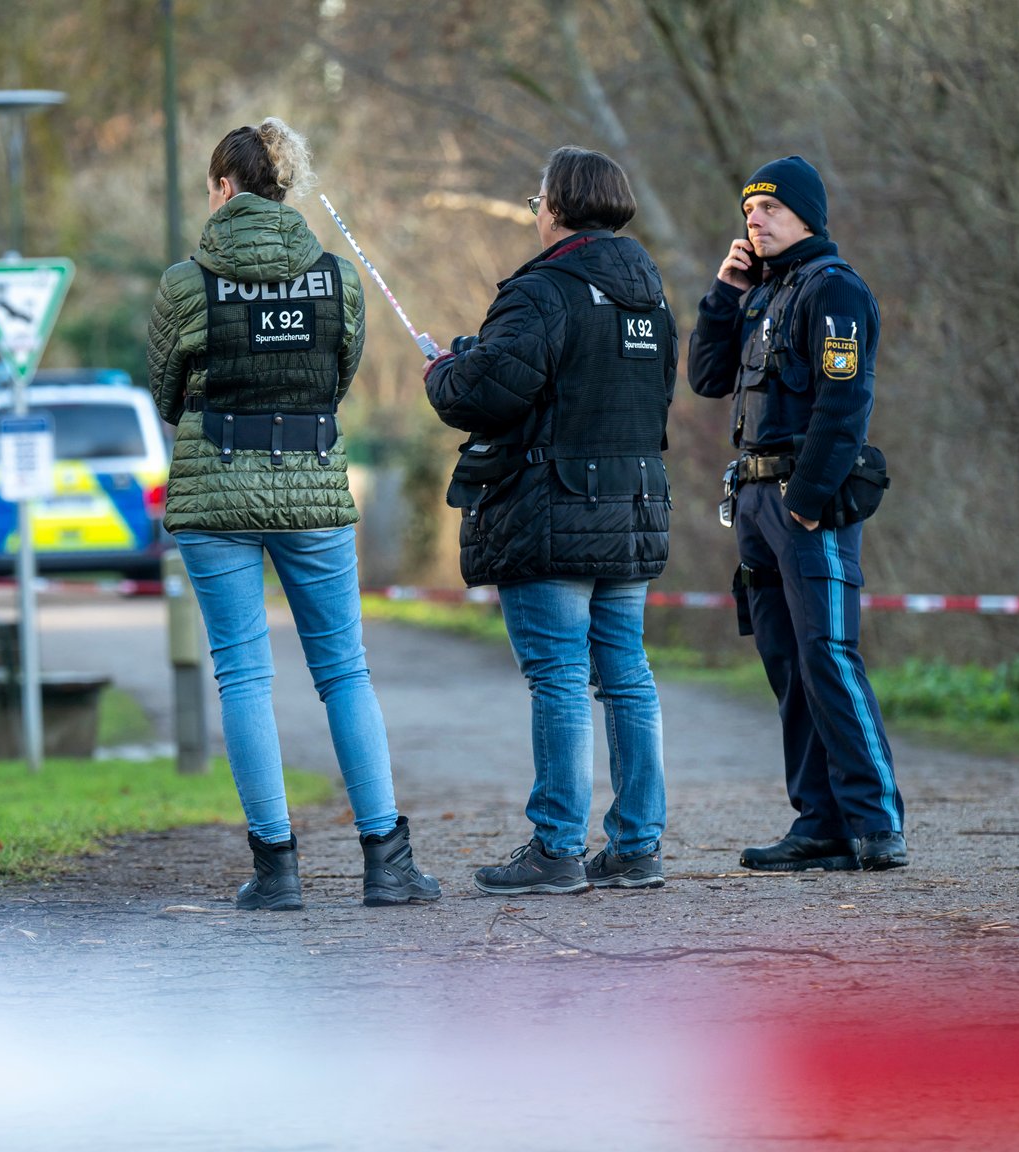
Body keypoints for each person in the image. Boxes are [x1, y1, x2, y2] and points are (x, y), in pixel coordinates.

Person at [145, 118, 441, 910]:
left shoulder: (184, 283)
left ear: (222, 188)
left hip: (215, 492)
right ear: (285, 188)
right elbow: (337, 377)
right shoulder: (337, 279)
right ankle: (387, 861)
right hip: (310, 481)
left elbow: (167, 392)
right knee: (343, 671)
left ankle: (276, 870)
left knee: (243, 673)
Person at [423, 148, 678, 895]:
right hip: (635, 509)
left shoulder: (544, 291)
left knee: (559, 678)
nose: (535, 210)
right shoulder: (652, 293)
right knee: (627, 678)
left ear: (560, 205)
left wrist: (445, 371)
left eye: (539, 198)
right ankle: (637, 847)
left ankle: (557, 850)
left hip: (556, 511)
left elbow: (486, 394)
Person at [687, 155, 907, 872]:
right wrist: (725, 292)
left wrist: (807, 504)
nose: (754, 219)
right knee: (787, 665)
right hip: (753, 505)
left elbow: (846, 405)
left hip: (804, 505)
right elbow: (708, 377)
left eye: (770, 209)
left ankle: (876, 824)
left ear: (806, 215)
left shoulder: (833, 290)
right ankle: (819, 823)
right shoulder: (761, 293)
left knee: (829, 658)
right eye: (748, 210)